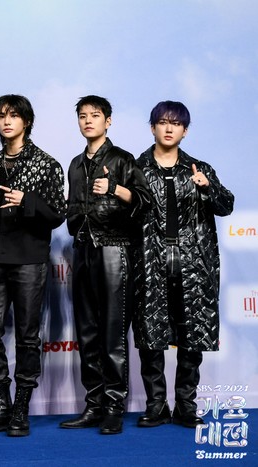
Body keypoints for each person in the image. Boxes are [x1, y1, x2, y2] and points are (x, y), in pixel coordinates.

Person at [133, 101, 234, 428]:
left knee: (193, 336)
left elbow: (227, 206)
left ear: (184, 131)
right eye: (162, 122)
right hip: (150, 262)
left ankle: (186, 406)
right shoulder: (136, 169)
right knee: (151, 336)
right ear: (152, 127)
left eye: (175, 123)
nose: (168, 128)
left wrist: (209, 187)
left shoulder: (198, 168)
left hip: (193, 264)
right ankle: (156, 405)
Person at [0, 95, 66, 437]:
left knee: (27, 337)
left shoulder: (46, 164)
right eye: (1, 116)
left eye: (13, 115)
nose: (7, 121)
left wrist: (28, 200)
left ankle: (21, 407)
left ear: (26, 121)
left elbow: (58, 214)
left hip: (29, 259)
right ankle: (1, 404)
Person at [61, 95, 150, 435]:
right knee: (87, 334)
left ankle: (114, 407)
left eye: (95, 115)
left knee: (113, 333)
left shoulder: (122, 159)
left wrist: (116, 188)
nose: (88, 121)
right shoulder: (74, 164)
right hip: (83, 249)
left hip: (114, 249)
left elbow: (145, 203)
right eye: (82, 116)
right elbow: (73, 207)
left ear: (108, 121)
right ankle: (94, 405)